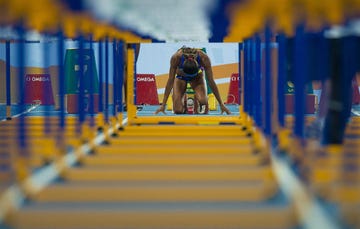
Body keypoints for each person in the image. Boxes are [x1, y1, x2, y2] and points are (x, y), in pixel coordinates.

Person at [155, 46, 231, 115]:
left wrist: (221, 104)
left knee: (203, 103)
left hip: (197, 78)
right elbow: (170, 81)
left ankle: (197, 98)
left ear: (198, 65)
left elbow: (211, 82)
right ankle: (182, 98)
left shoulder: (204, 58)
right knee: (178, 110)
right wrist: (163, 105)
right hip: (181, 77)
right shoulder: (176, 57)